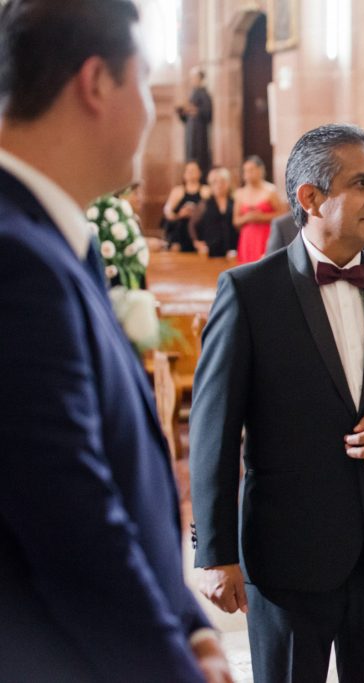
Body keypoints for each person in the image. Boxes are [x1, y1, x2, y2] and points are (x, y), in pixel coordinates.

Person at [0, 1, 230, 681]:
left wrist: (192, 627)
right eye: (145, 79)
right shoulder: (16, 259)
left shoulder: (58, 242)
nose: (153, 109)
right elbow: (70, 517)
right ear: (96, 82)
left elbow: (121, 472)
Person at [189, 123, 364, 683]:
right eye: (362, 183)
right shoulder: (249, 292)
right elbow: (214, 430)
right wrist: (216, 553)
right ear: (311, 198)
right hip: (289, 548)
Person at [233, 155, 286, 263]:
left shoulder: (270, 191)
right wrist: (248, 217)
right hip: (247, 239)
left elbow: (283, 214)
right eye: (246, 171)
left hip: (265, 236)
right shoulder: (240, 193)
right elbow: (235, 221)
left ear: (260, 170)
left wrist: (261, 217)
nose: (248, 174)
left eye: (251, 170)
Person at [163, 159, 209, 252]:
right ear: (184, 174)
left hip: (200, 232)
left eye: (194, 170)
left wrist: (197, 214)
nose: (191, 173)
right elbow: (167, 211)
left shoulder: (206, 190)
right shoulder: (177, 191)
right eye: (189, 171)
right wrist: (179, 214)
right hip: (181, 232)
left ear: (200, 173)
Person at [189, 167, 235, 258]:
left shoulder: (234, 202)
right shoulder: (205, 203)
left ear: (228, 183)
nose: (219, 185)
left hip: (231, 250)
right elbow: (192, 224)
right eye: (215, 182)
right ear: (210, 184)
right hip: (210, 251)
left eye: (223, 181)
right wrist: (196, 242)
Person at [176, 66, 213, 176]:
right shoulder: (191, 93)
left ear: (200, 78)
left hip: (199, 133)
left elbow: (207, 113)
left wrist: (196, 110)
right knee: (190, 155)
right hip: (190, 131)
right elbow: (186, 117)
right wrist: (183, 112)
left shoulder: (204, 94)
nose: (192, 80)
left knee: (200, 156)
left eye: (194, 77)